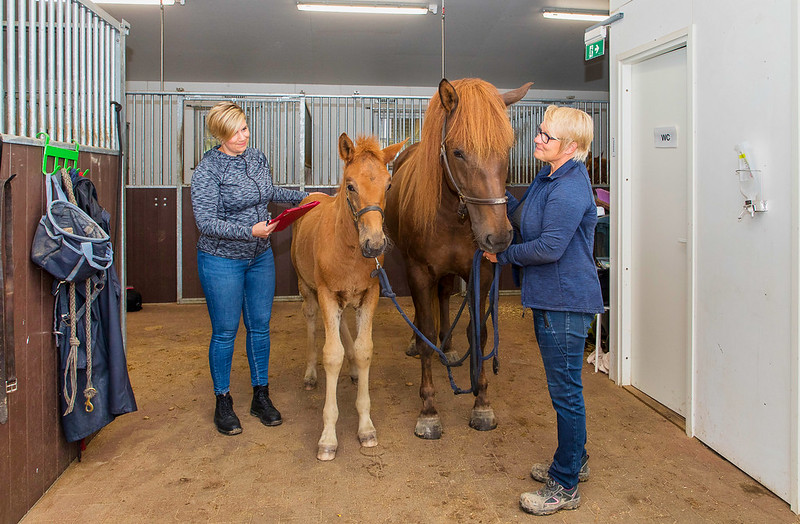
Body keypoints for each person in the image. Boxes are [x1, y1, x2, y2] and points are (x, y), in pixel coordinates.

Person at [485, 105, 604, 515]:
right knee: (567, 389)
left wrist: (502, 257)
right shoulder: (547, 176)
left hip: (565, 302)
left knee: (566, 394)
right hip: (548, 297)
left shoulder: (571, 187)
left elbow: (550, 247)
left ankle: (565, 484)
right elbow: (522, 216)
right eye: (539, 131)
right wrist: (490, 201)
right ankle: (576, 460)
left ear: (570, 147)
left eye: (546, 136)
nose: (537, 138)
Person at [191, 101, 316, 436]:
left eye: (244, 128)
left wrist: (304, 198)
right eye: (233, 133)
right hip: (221, 259)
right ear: (219, 135)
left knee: (260, 326)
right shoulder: (207, 171)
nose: (242, 137)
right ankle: (223, 401)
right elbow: (205, 222)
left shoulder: (258, 157)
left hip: (260, 257)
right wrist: (248, 231)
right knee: (225, 331)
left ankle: (261, 396)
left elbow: (268, 192)